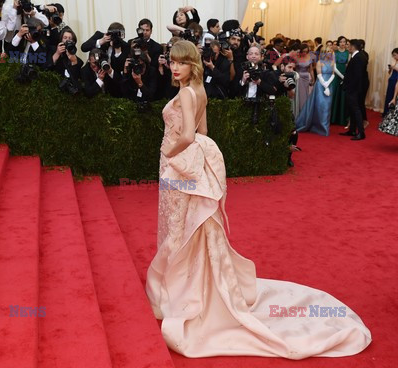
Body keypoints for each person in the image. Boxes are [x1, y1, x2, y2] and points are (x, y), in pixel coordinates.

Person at [146, 39, 371, 360]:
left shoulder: (185, 93)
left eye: (180, 62)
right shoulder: (200, 91)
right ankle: (190, 284)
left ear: (192, 63)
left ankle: (180, 291)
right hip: (188, 165)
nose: (174, 67)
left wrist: (167, 153)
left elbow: (184, 136)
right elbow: (203, 132)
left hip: (175, 164)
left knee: (177, 229)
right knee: (187, 228)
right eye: (172, 62)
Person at [296, 45, 335, 136]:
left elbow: (333, 74)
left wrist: (328, 85)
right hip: (320, 86)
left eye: (330, 51)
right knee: (320, 105)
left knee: (327, 107)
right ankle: (319, 127)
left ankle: (325, 127)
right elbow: (319, 75)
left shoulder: (332, 62)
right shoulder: (319, 62)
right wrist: (325, 86)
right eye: (327, 51)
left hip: (329, 86)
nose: (329, 53)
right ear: (323, 53)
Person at [340, 39, 367, 140]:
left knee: (356, 110)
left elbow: (357, 76)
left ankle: (361, 133)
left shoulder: (359, 57)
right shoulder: (357, 56)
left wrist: (350, 88)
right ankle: (352, 130)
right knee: (352, 110)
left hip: (354, 89)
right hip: (353, 88)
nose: (347, 47)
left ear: (352, 46)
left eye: (348, 45)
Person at [331, 36, 349, 126]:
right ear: (338, 43)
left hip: (345, 75)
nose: (342, 43)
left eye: (344, 42)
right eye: (341, 42)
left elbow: (348, 65)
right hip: (337, 75)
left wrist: (345, 76)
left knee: (343, 96)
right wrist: (342, 76)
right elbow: (333, 67)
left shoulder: (348, 53)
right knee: (335, 95)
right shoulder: (335, 53)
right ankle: (333, 118)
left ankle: (341, 119)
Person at [295, 43, 314, 116]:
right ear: (301, 51)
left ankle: (306, 113)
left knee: (307, 95)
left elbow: (311, 69)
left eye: (306, 51)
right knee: (301, 96)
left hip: (307, 77)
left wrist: (312, 78)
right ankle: (301, 113)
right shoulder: (297, 58)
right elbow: (295, 69)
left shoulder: (309, 57)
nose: (305, 53)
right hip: (299, 78)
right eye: (304, 51)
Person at [383, 47, 398, 116]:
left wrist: (394, 67)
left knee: (393, 96)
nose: (394, 57)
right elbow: (390, 73)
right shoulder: (395, 61)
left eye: (395, 55)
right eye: (393, 55)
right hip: (392, 80)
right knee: (389, 95)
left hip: (396, 81)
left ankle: (392, 113)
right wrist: (390, 68)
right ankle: (386, 112)